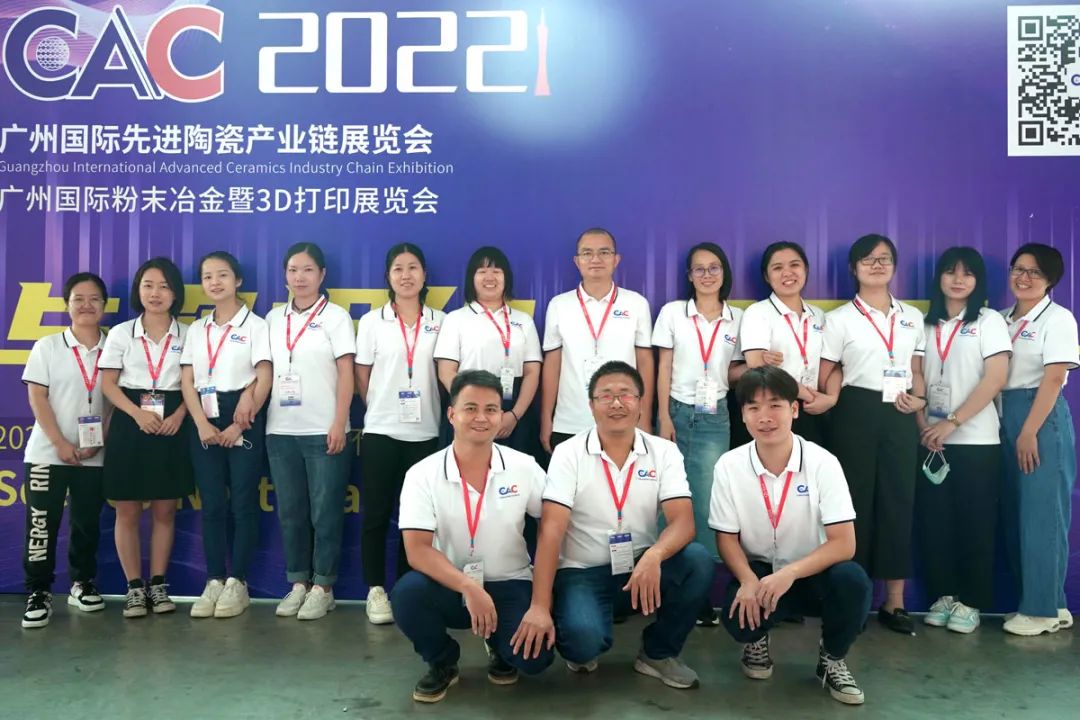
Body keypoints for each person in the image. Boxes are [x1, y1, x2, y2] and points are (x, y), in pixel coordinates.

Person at [513, 361, 713, 689]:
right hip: (582, 571)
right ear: (591, 406)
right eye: (605, 396)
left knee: (697, 561)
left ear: (641, 403)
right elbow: (551, 530)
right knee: (582, 644)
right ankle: (579, 630)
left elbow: (683, 522)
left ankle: (658, 653)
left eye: (625, 394)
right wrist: (539, 605)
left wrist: (654, 555)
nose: (616, 403)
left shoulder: (664, 452)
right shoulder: (568, 453)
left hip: (640, 568)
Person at [392, 370, 554, 703]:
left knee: (535, 660)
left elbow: (554, 525)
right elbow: (417, 550)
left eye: (491, 409)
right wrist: (468, 586)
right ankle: (442, 661)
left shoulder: (524, 466)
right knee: (407, 595)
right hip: (452, 585)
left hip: (511, 582)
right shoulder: (423, 474)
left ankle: (500, 647)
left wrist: (541, 603)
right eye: (470, 408)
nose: (481, 417)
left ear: (500, 416)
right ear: (452, 414)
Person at [711, 366, 870, 705]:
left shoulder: (823, 463)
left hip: (812, 573)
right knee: (736, 615)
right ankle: (756, 641)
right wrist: (748, 580)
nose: (765, 417)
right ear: (743, 415)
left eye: (775, 405)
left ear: (794, 409)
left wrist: (791, 573)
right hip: (761, 574)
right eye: (754, 407)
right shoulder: (729, 465)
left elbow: (844, 543)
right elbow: (726, 538)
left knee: (852, 582)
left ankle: (832, 658)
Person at [818, 234, 926, 635]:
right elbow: (827, 372)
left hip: (900, 412)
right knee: (855, 502)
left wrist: (919, 398)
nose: (877, 265)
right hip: (855, 411)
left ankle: (894, 602)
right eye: (868, 259)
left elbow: (917, 371)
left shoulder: (911, 317)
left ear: (894, 266)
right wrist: (835, 392)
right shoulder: (839, 319)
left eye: (884, 259)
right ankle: (855, 600)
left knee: (899, 500)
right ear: (854, 268)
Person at [915, 247, 1010, 634]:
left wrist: (951, 423)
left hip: (977, 442)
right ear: (938, 277)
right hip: (930, 441)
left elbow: (996, 378)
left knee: (976, 523)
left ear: (978, 281)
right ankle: (943, 596)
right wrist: (924, 427)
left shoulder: (989, 321)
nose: (958, 280)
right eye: (950, 272)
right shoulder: (924, 324)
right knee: (935, 524)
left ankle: (971, 601)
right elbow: (915, 376)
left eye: (967, 273)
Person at [653, 242, 742, 626]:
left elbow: (734, 371)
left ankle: (698, 592)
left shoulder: (738, 319)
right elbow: (663, 366)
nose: (707, 275)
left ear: (724, 273)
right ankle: (659, 587)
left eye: (714, 267)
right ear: (689, 276)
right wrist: (662, 418)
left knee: (706, 504)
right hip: (675, 411)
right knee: (666, 500)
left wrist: (763, 364)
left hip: (715, 416)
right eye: (699, 269)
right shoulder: (673, 313)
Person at [265, 242, 355, 621]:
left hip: (324, 429)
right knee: (291, 512)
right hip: (280, 430)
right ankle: (298, 582)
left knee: (326, 512)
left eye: (307, 270)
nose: (299, 277)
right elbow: (264, 372)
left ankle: (324, 587)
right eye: (292, 270)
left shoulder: (336, 317)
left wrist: (339, 421)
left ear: (322, 275)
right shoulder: (273, 319)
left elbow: (347, 373)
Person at [180, 251, 272, 619]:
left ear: (238, 281)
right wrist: (200, 423)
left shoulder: (257, 325)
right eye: (207, 276)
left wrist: (240, 423)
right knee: (213, 503)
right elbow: (187, 379)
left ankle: (238, 582)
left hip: (243, 414)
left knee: (244, 502)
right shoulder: (197, 329)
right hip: (203, 413)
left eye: (222, 275)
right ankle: (214, 579)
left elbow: (264, 376)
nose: (215, 282)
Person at [356, 243, 445, 625]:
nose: (406, 275)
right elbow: (362, 374)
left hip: (425, 433)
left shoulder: (442, 321)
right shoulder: (371, 322)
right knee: (376, 514)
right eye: (398, 268)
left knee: (418, 519)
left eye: (413, 268)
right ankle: (376, 589)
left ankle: (409, 588)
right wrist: (380, 407)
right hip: (381, 430)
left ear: (424, 275)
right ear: (388, 277)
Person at [99, 257, 192, 618]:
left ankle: (158, 583)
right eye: (148, 285)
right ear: (138, 291)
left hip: (173, 421)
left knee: (166, 509)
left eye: (164, 286)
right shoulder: (122, 333)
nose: (156, 293)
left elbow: (196, 384)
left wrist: (179, 415)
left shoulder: (189, 334)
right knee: (127, 509)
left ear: (176, 293)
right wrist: (137, 413)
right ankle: (134, 588)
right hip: (130, 421)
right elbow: (109, 383)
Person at [20, 273, 110, 628]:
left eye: (94, 299)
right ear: (67, 305)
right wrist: (60, 443)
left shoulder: (114, 346)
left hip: (94, 454)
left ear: (104, 305)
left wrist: (98, 440)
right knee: (41, 525)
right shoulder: (48, 346)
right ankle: (38, 591)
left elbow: (114, 402)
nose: (87, 305)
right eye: (78, 299)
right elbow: (37, 397)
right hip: (47, 453)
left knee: (86, 523)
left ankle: (82, 583)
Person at [999, 243, 1078, 636]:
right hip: (1004, 414)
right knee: (1019, 515)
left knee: (1043, 514)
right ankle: (1054, 604)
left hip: (1040, 417)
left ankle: (1040, 611)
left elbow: (1054, 377)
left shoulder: (1058, 319)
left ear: (1050, 280)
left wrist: (1029, 430)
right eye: (1018, 269)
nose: (1024, 277)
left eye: (1035, 272)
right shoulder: (1000, 319)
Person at [540, 228, 654, 454]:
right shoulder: (559, 305)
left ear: (616, 259)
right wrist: (546, 417)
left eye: (604, 252)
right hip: (569, 420)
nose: (595, 259)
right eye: (587, 253)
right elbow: (552, 365)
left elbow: (645, 362)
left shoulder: (636, 304)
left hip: (623, 417)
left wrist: (645, 416)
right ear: (577, 261)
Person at [434, 246, 542, 455]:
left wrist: (514, 415)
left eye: (496, 271)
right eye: (482, 271)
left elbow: (532, 372)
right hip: (468, 408)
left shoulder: (523, 321)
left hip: (514, 410)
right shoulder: (456, 319)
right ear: (471, 278)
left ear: (506, 277)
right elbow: (446, 372)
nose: (490, 277)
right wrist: (475, 409)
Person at [740, 242, 830, 445]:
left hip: (815, 409)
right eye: (777, 267)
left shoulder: (818, 315)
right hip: (775, 409)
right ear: (766, 276)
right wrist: (807, 395)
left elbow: (833, 362)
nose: (787, 273)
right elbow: (756, 364)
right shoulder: (758, 312)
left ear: (806, 269)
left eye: (795, 265)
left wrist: (830, 398)